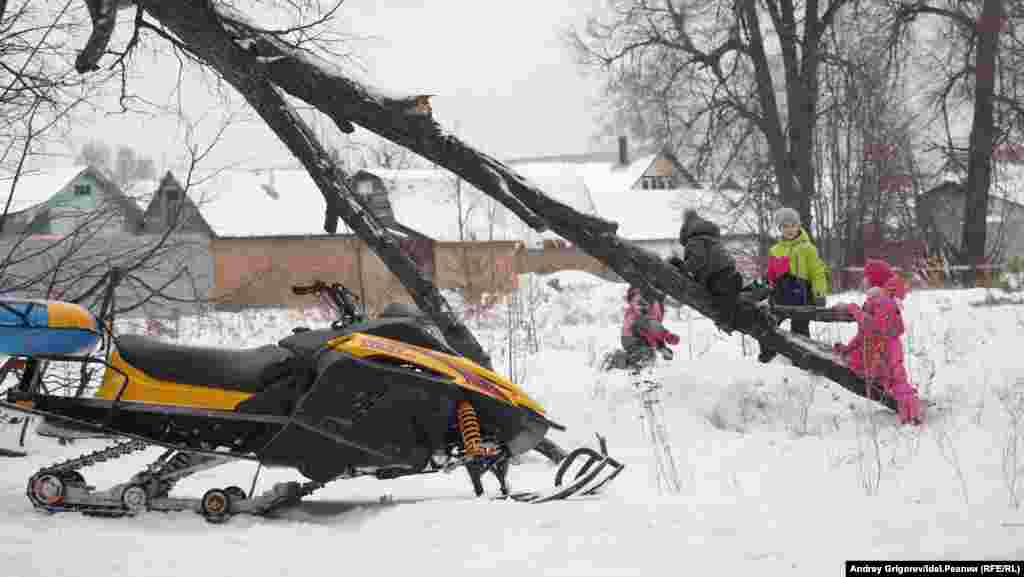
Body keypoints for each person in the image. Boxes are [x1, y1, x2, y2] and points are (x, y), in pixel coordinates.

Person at [833, 259, 923, 425]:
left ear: (875, 279)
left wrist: (854, 310)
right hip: (877, 349)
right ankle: (910, 411)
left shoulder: (884, 301)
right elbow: (863, 335)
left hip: (887, 350)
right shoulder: (875, 299)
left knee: (898, 381)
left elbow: (873, 327)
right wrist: (848, 348)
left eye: (866, 276)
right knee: (894, 381)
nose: (863, 280)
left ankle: (913, 415)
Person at [669, 209, 769, 333]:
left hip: (718, 279)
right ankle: (756, 305)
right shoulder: (711, 239)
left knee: (724, 311)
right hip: (729, 275)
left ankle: (753, 314)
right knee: (732, 303)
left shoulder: (694, 241)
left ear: (685, 233)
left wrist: (684, 267)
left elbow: (697, 261)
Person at [758, 207, 830, 363]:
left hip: (802, 297)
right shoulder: (775, 250)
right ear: (779, 229)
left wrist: (820, 294)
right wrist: (764, 287)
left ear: (799, 226)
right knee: (766, 323)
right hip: (780, 296)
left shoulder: (808, 248)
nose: (789, 229)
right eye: (785, 226)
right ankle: (768, 358)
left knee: (800, 331)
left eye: (793, 225)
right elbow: (770, 274)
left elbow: (817, 273)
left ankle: (803, 361)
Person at [620, 286, 679, 366]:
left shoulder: (656, 303)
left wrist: (662, 347)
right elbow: (647, 323)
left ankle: (630, 364)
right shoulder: (642, 300)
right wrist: (666, 336)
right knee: (646, 357)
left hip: (639, 336)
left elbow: (650, 330)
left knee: (647, 357)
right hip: (632, 337)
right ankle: (621, 363)